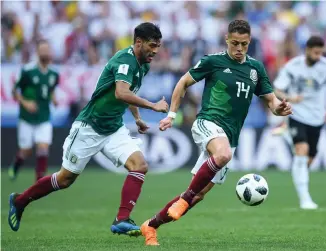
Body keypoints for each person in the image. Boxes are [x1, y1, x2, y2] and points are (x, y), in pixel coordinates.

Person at [8, 22, 169, 236]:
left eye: (158, 46)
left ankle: (121, 219)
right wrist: (152, 105)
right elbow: (121, 93)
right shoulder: (125, 61)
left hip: (113, 128)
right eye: (152, 45)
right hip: (89, 127)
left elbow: (127, 92)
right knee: (65, 179)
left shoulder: (143, 64)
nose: (155, 51)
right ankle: (19, 201)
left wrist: (137, 118)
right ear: (138, 42)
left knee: (139, 165)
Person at [140, 20, 292, 246]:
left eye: (244, 44)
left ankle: (150, 225)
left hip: (230, 136)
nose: (239, 49)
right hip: (208, 122)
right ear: (226, 40)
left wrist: (279, 108)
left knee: (199, 194)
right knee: (222, 156)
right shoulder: (213, 61)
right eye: (235, 43)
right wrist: (172, 115)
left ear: (249, 42)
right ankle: (185, 200)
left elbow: (271, 100)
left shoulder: (256, 69)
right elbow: (183, 82)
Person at [273, 36, 326, 210]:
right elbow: (276, 89)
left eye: (321, 53)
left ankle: (287, 136)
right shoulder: (293, 66)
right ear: (307, 50)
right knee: (302, 151)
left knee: (308, 160)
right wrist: (290, 98)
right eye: (316, 52)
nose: (318, 56)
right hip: (297, 114)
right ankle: (305, 199)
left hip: (316, 117)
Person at [8, 39, 59, 182]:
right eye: (42, 50)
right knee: (26, 150)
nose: (45, 53)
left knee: (43, 148)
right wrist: (25, 102)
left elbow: (50, 90)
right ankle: (16, 165)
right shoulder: (28, 70)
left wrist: (54, 99)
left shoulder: (54, 74)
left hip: (44, 116)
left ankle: (39, 181)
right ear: (37, 52)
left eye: (47, 50)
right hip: (27, 117)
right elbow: (14, 91)